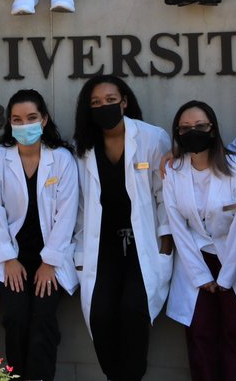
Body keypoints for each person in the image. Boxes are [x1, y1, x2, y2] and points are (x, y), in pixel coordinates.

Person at [70, 74, 171, 381]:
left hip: (143, 247)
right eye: (96, 102)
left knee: (134, 311)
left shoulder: (152, 138)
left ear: (124, 102)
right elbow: (81, 205)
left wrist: (165, 244)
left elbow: (163, 194)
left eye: (111, 100)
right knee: (99, 315)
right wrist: (78, 251)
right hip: (102, 248)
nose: (104, 107)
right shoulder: (81, 148)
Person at [0, 89, 79, 381]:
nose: (25, 125)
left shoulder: (61, 159)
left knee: (43, 321)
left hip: (50, 258)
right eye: (17, 119)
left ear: (44, 119)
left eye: (32, 118)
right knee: (16, 319)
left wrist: (50, 262)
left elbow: (67, 213)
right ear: (9, 123)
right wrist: (8, 259)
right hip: (13, 258)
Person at [163, 100, 236, 381]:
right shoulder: (173, 171)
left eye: (199, 126)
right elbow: (177, 226)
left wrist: (227, 275)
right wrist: (200, 275)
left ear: (213, 129)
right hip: (194, 259)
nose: (192, 131)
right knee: (200, 333)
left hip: (233, 258)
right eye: (184, 128)